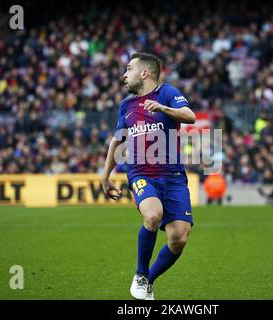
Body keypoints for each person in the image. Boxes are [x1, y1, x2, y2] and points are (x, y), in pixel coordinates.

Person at [101, 53, 196, 300]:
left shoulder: (167, 93)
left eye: (129, 69)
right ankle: (140, 274)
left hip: (173, 176)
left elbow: (190, 116)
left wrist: (164, 108)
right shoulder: (127, 106)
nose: (124, 74)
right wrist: (105, 175)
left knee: (179, 239)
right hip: (141, 173)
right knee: (153, 215)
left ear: (145, 72)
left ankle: (149, 281)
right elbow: (117, 140)